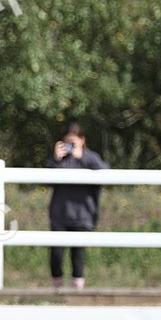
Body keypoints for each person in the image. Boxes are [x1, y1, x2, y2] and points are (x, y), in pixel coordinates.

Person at [46, 122, 109, 289]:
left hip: (83, 216)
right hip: (60, 215)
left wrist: (83, 158)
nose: (70, 146)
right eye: (67, 142)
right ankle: (57, 290)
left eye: (73, 142)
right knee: (56, 256)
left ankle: (77, 291)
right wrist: (55, 160)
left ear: (82, 140)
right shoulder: (60, 160)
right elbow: (47, 181)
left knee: (78, 257)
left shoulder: (90, 157)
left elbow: (106, 174)